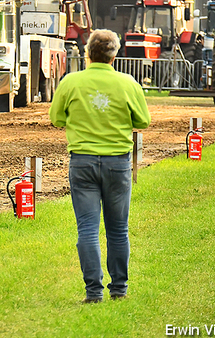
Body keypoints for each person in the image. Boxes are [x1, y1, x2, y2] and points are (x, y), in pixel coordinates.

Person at [49, 29, 151, 304]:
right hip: (117, 164)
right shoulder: (128, 83)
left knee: (87, 229)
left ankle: (93, 292)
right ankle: (119, 288)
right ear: (114, 54)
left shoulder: (71, 82)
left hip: (82, 162)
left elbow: (56, 119)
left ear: (87, 52)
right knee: (118, 230)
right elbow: (142, 121)